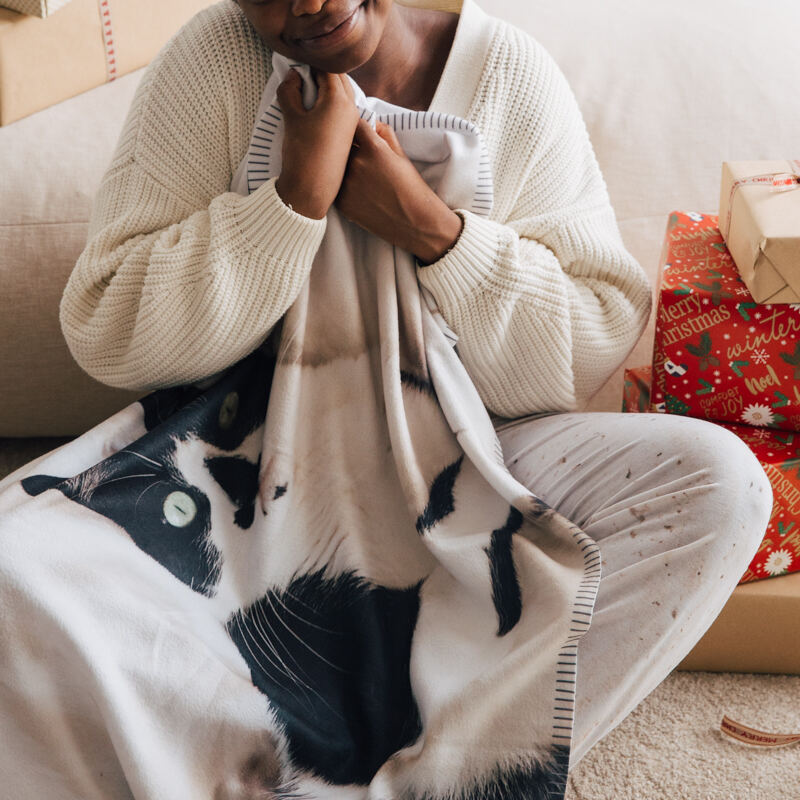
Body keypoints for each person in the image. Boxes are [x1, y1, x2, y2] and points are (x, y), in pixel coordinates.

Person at [9, 0, 772, 793]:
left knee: (723, 485)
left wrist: (434, 230)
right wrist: (293, 200)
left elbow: (578, 353)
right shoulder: (215, 61)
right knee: (18, 572)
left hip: (475, 460)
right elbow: (113, 330)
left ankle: (449, 774)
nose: (308, 4)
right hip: (241, 473)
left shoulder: (506, 74)